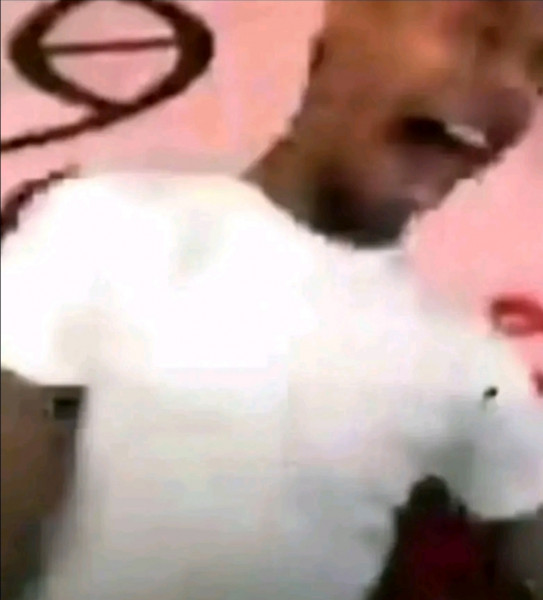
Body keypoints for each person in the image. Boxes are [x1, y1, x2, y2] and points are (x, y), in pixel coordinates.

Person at [2, 1, 542, 598]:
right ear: (345, 25)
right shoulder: (103, 225)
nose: (512, 87)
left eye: (540, 69)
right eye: (481, 33)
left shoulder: (474, 367)